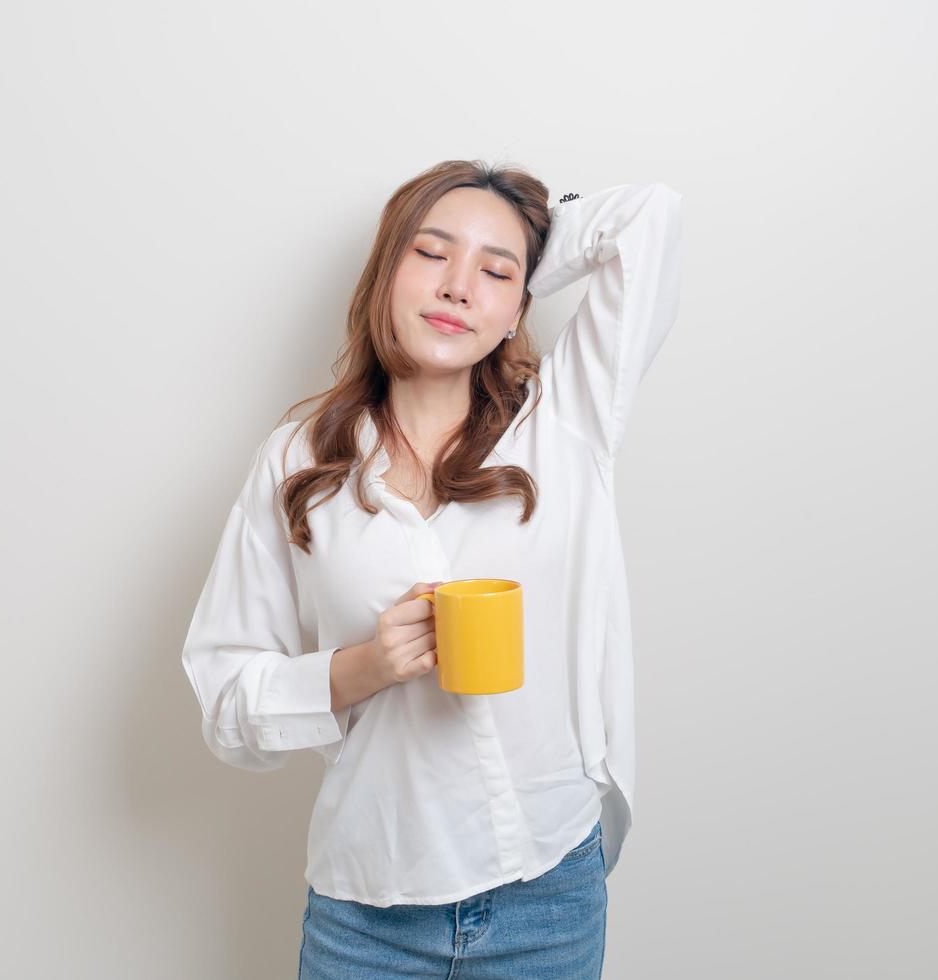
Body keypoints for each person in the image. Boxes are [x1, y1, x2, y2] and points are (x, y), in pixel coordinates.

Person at [181, 158, 683, 978]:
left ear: (521, 305)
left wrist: (520, 256)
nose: (457, 288)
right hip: (367, 914)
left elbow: (651, 215)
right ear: (384, 272)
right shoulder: (297, 460)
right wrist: (364, 667)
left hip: (548, 895)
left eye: (494, 272)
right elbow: (225, 692)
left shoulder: (566, 423)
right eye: (430, 254)